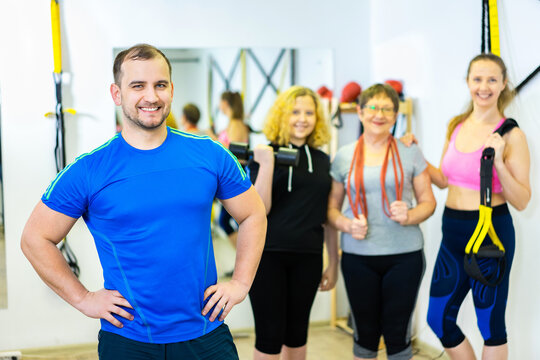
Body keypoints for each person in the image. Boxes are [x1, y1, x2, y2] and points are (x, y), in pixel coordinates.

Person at [20, 44, 267, 360]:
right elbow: (35, 238)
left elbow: (253, 214)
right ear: (116, 93)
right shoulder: (89, 169)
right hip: (128, 339)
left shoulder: (210, 153)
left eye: (160, 85)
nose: (151, 96)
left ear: (171, 90)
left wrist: (241, 282)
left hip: (206, 334)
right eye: (138, 86)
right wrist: (83, 299)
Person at [421, 53, 531, 360]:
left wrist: (499, 163)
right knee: (438, 318)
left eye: (492, 79)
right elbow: (444, 180)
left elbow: (523, 200)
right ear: (468, 82)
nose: (484, 87)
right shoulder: (456, 125)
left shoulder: (511, 134)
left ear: (503, 84)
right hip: (452, 232)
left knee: (490, 323)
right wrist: (415, 153)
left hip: (490, 232)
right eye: (477, 79)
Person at [328, 84, 436, 360]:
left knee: (397, 333)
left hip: (404, 255)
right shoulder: (344, 155)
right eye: (373, 108)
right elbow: (330, 209)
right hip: (358, 256)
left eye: (387, 109)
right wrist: (347, 224)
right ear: (361, 112)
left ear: (396, 115)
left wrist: (410, 215)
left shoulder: (410, 151)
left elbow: (429, 202)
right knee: (364, 333)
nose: (380, 114)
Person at [247, 86, 338, 360]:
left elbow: (328, 218)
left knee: (298, 333)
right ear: (281, 116)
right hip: (267, 256)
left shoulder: (323, 161)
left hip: (308, 256)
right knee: (270, 335)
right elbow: (260, 209)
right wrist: (266, 164)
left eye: (309, 112)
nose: (302, 118)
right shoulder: (264, 154)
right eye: (295, 112)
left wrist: (334, 262)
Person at [214, 91, 251, 249]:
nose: (218, 105)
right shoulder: (232, 123)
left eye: (220, 102)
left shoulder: (236, 124)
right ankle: (242, 260)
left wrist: (214, 141)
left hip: (235, 174)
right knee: (226, 220)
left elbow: (234, 153)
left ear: (226, 103)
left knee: (232, 220)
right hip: (228, 174)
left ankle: (246, 260)